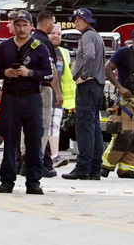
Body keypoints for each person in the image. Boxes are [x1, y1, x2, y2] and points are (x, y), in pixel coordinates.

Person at [0, 10, 54, 194]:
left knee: (34, 138)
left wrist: (30, 73)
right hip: (10, 97)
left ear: (31, 26)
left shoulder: (39, 47)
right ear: (13, 26)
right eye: (18, 25)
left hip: (32, 96)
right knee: (9, 139)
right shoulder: (4, 47)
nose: (21, 28)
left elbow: (48, 73)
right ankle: (7, 180)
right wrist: (6, 72)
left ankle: (33, 181)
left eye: (25, 25)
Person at [101, 26, 134, 179]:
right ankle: (106, 165)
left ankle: (127, 169)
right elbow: (108, 68)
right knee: (123, 136)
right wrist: (120, 87)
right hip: (126, 103)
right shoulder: (123, 53)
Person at [62, 8, 106, 181]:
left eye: (80, 19)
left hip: (88, 86)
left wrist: (83, 75)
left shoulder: (87, 36)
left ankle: (82, 167)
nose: (76, 22)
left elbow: (89, 55)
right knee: (94, 127)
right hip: (97, 86)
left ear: (87, 20)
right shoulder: (96, 36)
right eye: (75, 19)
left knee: (84, 128)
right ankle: (94, 168)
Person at [25, 11, 62, 178]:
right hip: (43, 89)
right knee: (42, 127)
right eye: (53, 23)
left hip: (27, 89)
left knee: (28, 127)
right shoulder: (46, 43)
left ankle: (29, 163)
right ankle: (36, 165)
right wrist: (58, 93)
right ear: (47, 23)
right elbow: (52, 70)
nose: (54, 26)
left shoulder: (30, 39)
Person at [49, 24, 74, 168]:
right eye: (52, 33)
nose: (56, 36)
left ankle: (54, 156)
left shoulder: (63, 53)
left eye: (58, 34)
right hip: (44, 97)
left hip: (58, 98)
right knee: (45, 128)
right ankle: (49, 156)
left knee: (54, 127)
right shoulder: (43, 50)